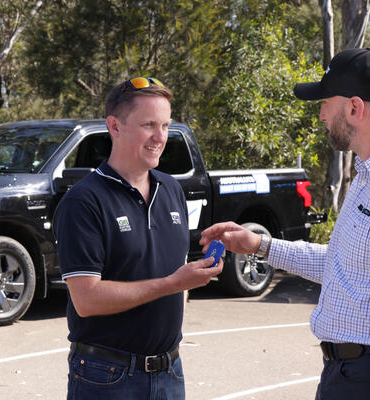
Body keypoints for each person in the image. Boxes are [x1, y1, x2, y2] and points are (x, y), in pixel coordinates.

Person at [199, 47, 370, 399]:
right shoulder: (363, 178)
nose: (321, 114)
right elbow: (340, 266)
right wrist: (258, 245)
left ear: (355, 108)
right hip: (344, 372)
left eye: (326, 101)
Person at [53, 77, 223, 400]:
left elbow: (178, 268)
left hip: (170, 370)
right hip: (107, 377)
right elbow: (86, 300)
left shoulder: (171, 189)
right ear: (114, 126)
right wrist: (173, 283)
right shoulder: (83, 201)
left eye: (165, 125)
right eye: (148, 125)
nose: (161, 137)